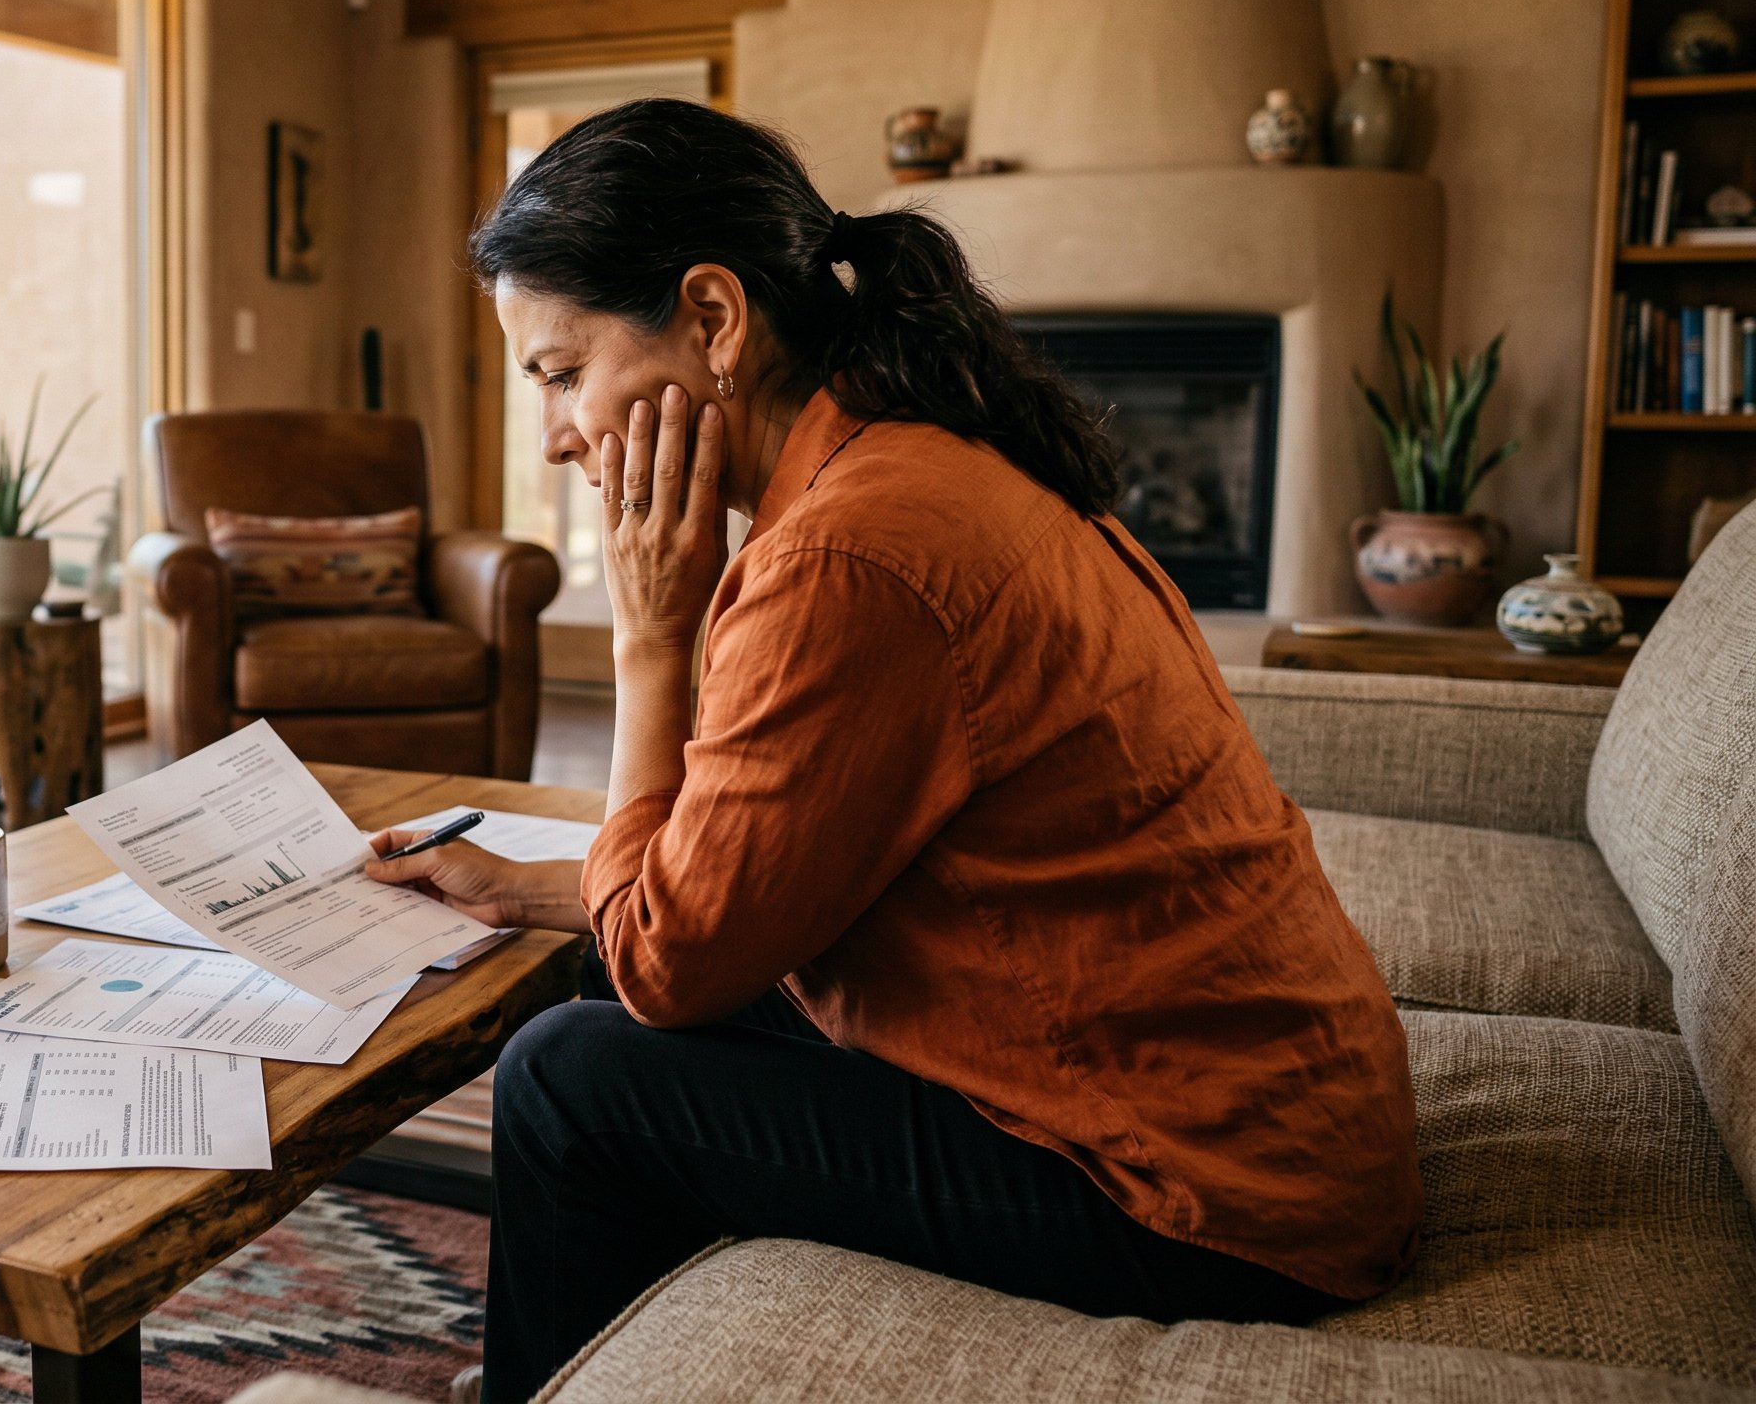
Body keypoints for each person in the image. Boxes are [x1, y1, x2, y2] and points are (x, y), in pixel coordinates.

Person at [360, 99, 1422, 1404]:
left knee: (572, 1080)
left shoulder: (843, 559)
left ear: (713, 319)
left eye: (563, 372)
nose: (556, 435)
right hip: (1278, 1130)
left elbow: (663, 964)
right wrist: (533, 884)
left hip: (1206, 1192)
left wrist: (650, 642)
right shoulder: (905, 461)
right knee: (615, 995)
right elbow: (759, 865)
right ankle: (606, 1355)